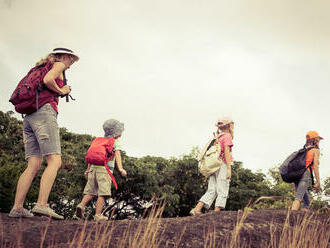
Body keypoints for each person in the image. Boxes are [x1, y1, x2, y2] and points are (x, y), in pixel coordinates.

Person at [9, 48, 79, 219]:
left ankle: (17, 207)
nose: (70, 64)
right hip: (44, 113)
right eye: (71, 59)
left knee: (33, 164)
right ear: (63, 56)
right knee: (54, 160)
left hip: (29, 116)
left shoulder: (40, 67)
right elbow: (48, 80)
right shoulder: (58, 65)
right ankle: (41, 204)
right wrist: (62, 90)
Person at [75, 119, 127, 221]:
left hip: (93, 168)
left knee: (91, 191)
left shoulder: (98, 140)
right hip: (105, 170)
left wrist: (87, 170)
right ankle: (98, 215)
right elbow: (117, 155)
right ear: (117, 132)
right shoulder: (115, 142)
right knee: (103, 193)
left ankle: (81, 205)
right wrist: (121, 169)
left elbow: (92, 157)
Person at [190, 117, 234, 216]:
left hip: (213, 165)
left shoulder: (217, 137)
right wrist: (229, 168)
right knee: (223, 187)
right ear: (229, 125)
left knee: (212, 189)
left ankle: (197, 209)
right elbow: (227, 153)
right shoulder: (227, 136)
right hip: (222, 164)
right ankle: (217, 212)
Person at [291, 131, 322, 211]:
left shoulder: (303, 150)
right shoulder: (316, 150)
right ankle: (289, 219)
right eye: (318, 139)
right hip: (305, 174)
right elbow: (315, 167)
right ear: (315, 140)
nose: (319, 142)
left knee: (306, 201)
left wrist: (294, 182)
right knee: (298, 198)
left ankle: (305, 210)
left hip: (297, 174)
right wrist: (318, 181)